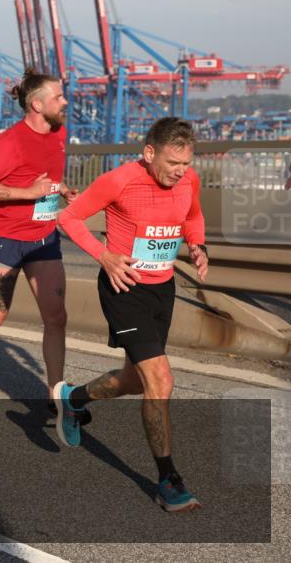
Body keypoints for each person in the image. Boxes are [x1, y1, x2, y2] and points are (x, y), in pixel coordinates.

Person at [55, 117, 208, 513]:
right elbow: (68, 218)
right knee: (160, 379)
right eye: (173, 162)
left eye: (186, 164)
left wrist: (197, 244)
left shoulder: (188, 181)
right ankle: (168, 479)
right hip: (124, 287)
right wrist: (104, 256)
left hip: (163, 288)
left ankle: (72, 399)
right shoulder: (119, 180)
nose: (180, 171)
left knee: (132, 379)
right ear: (149, 153)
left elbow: (192, 215)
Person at [0, 69, 82, 416]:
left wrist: (60, 189)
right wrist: (29, 192)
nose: (65, 101)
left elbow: (46, 177)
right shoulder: (9, 142)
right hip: (6, 238)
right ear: (37, 104)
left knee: (56, 316)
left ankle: (56, 395)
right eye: (58, 97)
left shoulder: (60, 133)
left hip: (43, 237)